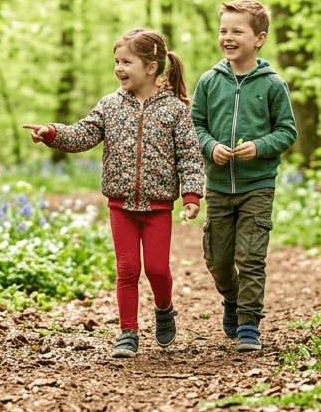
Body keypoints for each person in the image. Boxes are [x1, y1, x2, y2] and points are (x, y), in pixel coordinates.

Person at [23, 28, 204, 358]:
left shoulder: (175, 110)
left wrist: (191, 195)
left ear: (151, 67)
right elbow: (83, 134)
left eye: (126, 62)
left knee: (158, 269)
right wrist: (51, 133)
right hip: (121, 205)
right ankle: (128, 331)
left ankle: (165, 310)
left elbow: (190, 155)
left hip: (158, 206)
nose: (119, 68)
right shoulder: (110, 105)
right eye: (116, 62)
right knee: (127, 269)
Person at [189, 0, 299, 352]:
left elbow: (287, 132)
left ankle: (249, 321)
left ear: (259, 38)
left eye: (238, 31)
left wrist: (261, 145)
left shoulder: (272, 84)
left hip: (257, 185)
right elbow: (195, 126)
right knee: (219, 261)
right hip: (218, 186)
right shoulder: (209, 81)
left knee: (251, 257)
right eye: (224, 30)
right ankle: (232, 300)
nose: (228, 37)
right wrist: (209, 147)